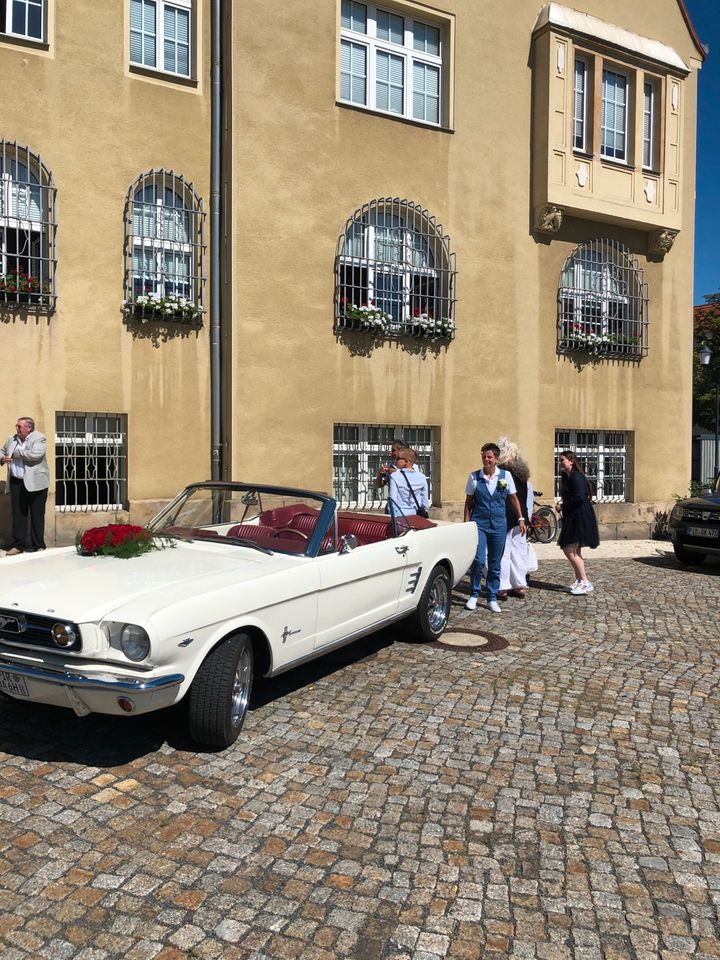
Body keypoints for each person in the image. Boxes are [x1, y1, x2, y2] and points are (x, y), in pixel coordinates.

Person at [464, 442, 527, 613]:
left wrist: (521, 518)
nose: (486, 459)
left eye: (489, 457)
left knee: (495, 562)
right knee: (478, 560)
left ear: (496, 458)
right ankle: (474, 593)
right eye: (484, 456)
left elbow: (514, 499)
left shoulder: (505, 476)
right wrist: (467, 525)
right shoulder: (474, 477)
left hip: (499, 524)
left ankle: (492, 596)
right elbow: (468, 503)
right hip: (479, 524)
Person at [1, 416, 50, 555]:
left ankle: (38, 545)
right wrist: (3, 458)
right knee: (18, 515)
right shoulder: (12, 439)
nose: (16, 428)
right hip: (17, 482)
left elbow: (35, 455)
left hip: (36, 483)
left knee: (37, 515)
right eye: (16, 426)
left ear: (29, 427)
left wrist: (14, 453)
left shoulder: (39, 438)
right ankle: (18, 545)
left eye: (19, 426)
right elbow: (2, 451)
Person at [557, 449, 599, 594]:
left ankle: (585, 581)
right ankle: (580, 580)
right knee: (575, 550)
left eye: (562, 460)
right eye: (559, 460)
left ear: (571, 461)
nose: (559, 463)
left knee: (568, 548)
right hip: (573, 516)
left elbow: (580, 498)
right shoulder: (569, 477)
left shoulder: (576, 477)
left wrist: (562, 506)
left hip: (579, 517)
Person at [497, 437, 533, 599]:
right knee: (519, 551)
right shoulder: (522, 473)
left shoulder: (501, 472)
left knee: (502, 553)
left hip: (505, 515)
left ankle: (503, 587)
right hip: (521, 516)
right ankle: (519, 585)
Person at [387, 448, 429, 517]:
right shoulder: (422, 477)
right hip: (416, 515)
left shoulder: (395, 476)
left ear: (406, 461)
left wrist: (391, 513)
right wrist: (424, 511)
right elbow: (425, 500)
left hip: (399, 515)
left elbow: (392, 500)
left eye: (398, 459)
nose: (395, 461)